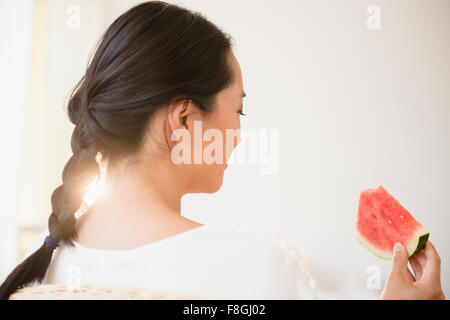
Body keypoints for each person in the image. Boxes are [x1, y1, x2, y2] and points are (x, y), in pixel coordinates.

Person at [0, 1, 445, 300]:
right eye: (239, 110)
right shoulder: (260, 267)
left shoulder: (37, 272)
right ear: (184, 120)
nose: (238, 133)